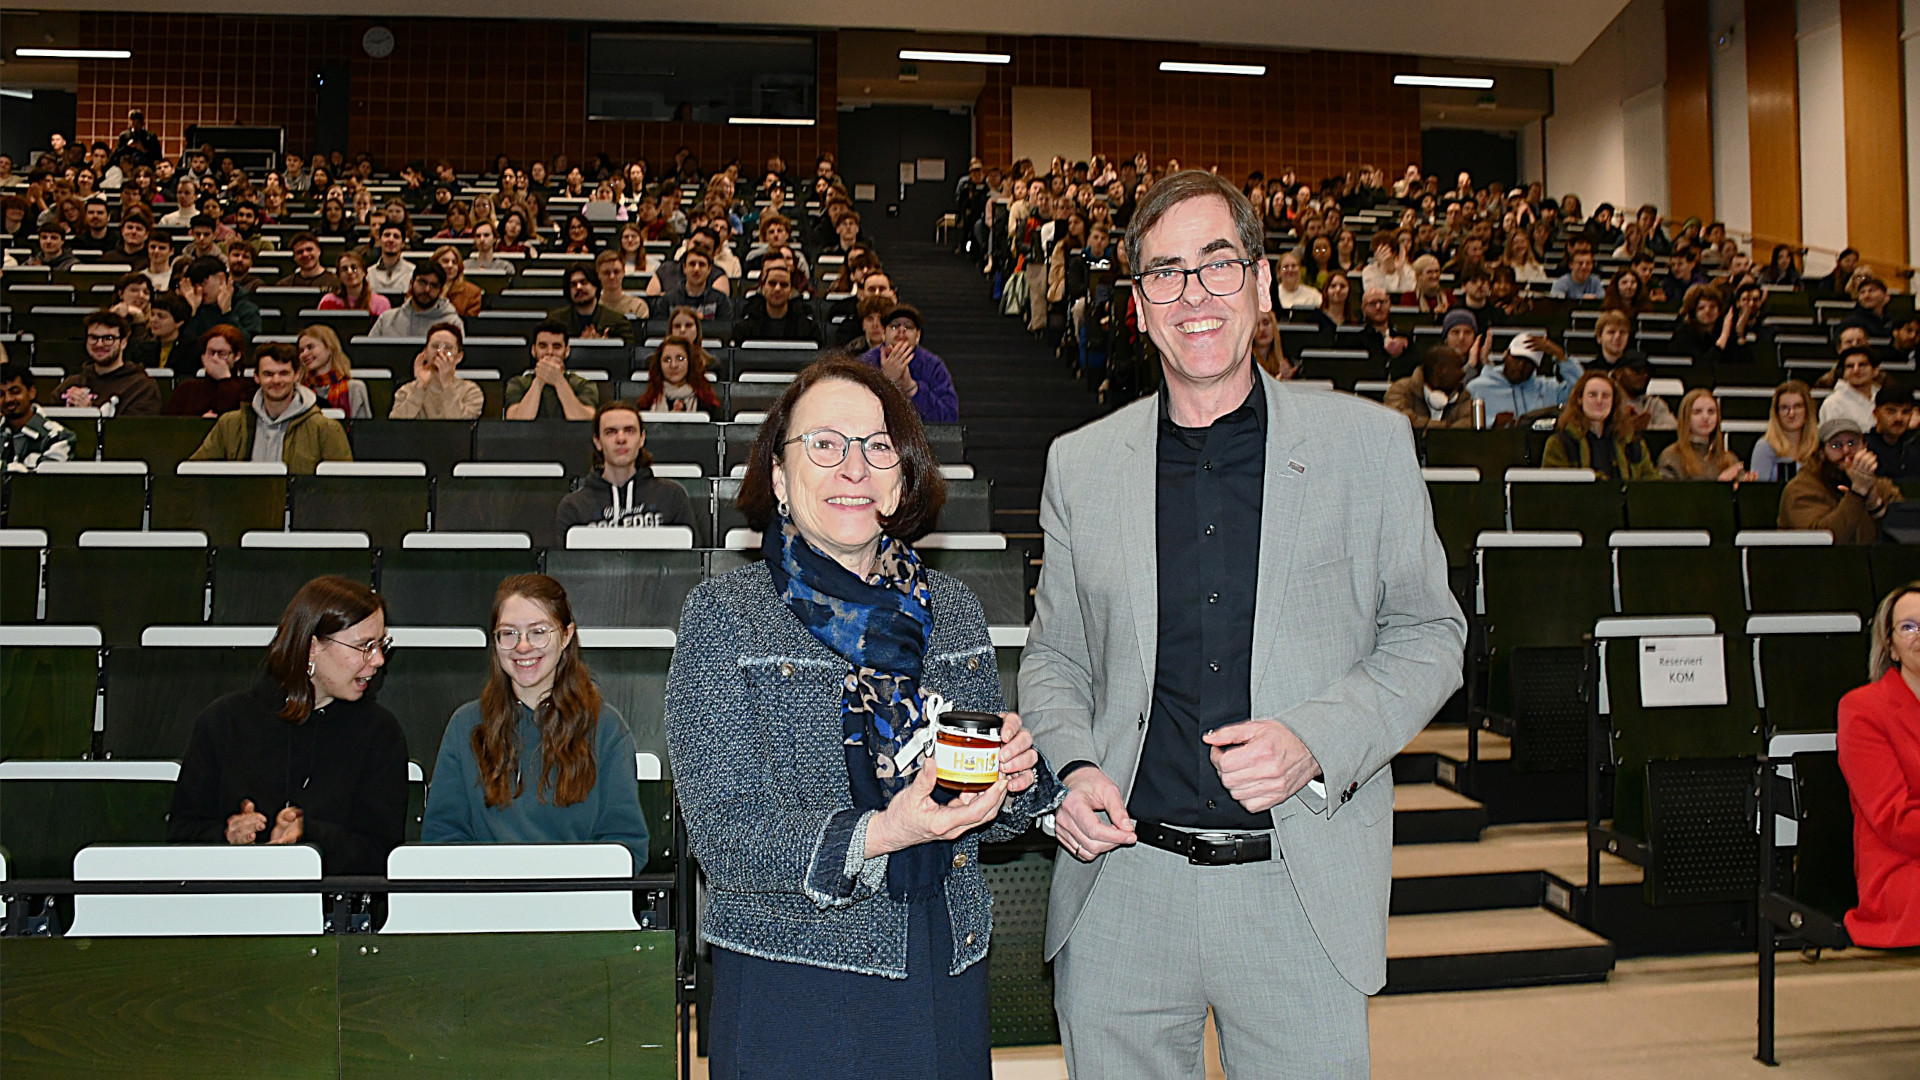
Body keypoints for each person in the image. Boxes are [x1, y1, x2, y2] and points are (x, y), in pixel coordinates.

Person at [1018, 170, 1464, 1080]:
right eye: (1166, 273)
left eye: (1219, 265)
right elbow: (1056, 657)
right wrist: (1073, 766)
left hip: (1299, 883)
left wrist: (1314, 739)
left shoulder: (1368, 447)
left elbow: (1430, 632)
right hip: (1125, 887)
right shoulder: (1081, 465)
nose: (1195, 295)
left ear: (1262, 287)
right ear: (1139, 305)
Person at [665, 356, 1059, 1080]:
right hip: (794, 977)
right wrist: (883, 833)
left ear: (902, 477)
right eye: (825, 444)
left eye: (877, 447)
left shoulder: (954, 609)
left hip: (944, 958)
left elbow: (972, 811)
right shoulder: (724, 618)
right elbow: (726, 838)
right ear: (780, 480)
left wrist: (1018, 783)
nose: (855, 468)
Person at [166, 575, 407, 876]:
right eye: (364, 646)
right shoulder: (224, 722)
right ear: (311, 648)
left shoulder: (380, 733)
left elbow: (382, 854)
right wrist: (227, 836)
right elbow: (180, 835)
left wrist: (309, 835)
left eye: (381, 644)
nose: (379, 660)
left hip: (333, 915)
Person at [421, 575, 650, 869]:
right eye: (509, 633)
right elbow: (441, 839)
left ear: (566, 636)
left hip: (578, 905)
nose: (523, 647)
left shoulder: (606, 729)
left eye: (538, 632)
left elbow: (626, 846)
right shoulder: (465, 726)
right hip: (486, 905)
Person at [1836, 585, 1920, 948]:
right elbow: (1893, 818)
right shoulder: (1863, 709)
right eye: (1909, 627)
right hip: (1901, 869)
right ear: (1889, 643)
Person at [554, 401, 700, 534]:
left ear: (642, 438)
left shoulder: (672, 496)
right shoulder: (573, 506)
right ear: (597, 441)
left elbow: (691, 560)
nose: (621, 439)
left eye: (629, 430)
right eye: (611, 432)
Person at [1779, 417, 1900, 541]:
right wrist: (1857, 493)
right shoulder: (1801, 490)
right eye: (1836, 445)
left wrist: (1875, 505)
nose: (1846, 451)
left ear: (1865, 447)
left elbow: (1904, 535)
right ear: (1821, 453)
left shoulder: (1881, 486)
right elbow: (1822, 541)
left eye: (1852, 443)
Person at [1541, 371, 1660, 479]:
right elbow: (1554, 491)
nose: (1599, 401)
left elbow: (1651, 487)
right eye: (1592, 395)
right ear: (1580, 399)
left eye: (1606, 396)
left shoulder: (1632, 443)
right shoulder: (1560, 443)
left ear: (1614, 401)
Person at [858, 305, 958, 424]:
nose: (901, 331)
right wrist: (886, 382)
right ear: (884, 333)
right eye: (894, 326)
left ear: (918, 335)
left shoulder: (933, 365)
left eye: (908, 327)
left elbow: (950, 417)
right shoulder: (864, 363)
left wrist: (911, 388)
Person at [55, 311, 162, 415]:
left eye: (108, 338)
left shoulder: (142, 387)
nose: (100, 344)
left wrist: (90, 413)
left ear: (123, 343)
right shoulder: (71, 384)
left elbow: (135, 430)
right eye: (94, 338)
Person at [177, 256, 263, 368]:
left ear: (221, 279)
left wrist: (227, 313)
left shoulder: (246, 307)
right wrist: (193, 312)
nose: (199, 290)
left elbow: (246, 347)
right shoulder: (190, 305)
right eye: (195, 285)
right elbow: (184, 352)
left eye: (203, 283)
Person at [505, 320, 600, 421]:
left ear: (567, 351)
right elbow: (516, 422)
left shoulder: (584, 384)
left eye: (556, 347)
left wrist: (559, 381)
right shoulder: (517, 383)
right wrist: (539, 380)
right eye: (543, 346)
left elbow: (584, 422)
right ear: (533, 350)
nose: (549, 352)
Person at [1465, 338, 1570, 428]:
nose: (1521, 367)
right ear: (1506, 355)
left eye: (1528, 363)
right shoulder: (1477, 388)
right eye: (1517, 359)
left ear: (1535, 367)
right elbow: (1459, 427)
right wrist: (1492, 427)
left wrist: (1562, 358)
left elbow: (1581, 393)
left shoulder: (1548, 388)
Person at [389, 322, 484, 420]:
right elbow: (396, 427)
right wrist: (419, 387)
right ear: (425, 352)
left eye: (447, 348)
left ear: (459, 357)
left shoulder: (471, 391)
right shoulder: (406, 390)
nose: (440, 352)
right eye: (435, 346)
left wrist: (447, 385)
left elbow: (463, 427)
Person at [1659, 389, 1753, 481]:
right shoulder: (1671, 457)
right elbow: (1669, 495)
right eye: (1697, 412)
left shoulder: (1729, 459)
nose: (1705, 417)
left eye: (1711, 412)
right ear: (1686, 417)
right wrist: (1720, 486)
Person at [0, 359, 77, 471]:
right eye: (1, 394)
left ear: (31, 392)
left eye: (15, 392)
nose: (8, 399)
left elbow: (44, 484)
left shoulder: (59, 437)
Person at [165, 325, 254, 417]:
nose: (215, 359)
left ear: (236, 356)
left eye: (222, 354)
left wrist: (224, 378)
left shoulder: (247, 389)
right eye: (211, 353)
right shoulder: (186, 389)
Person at [1384, 345, 1474, 429]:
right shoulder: (1400, 390)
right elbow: (1399, 422)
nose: (1462, 374)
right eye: (1458, 368)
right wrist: (1444, 427)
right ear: (1441, 370)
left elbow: (1464, 430)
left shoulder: (1464, 396)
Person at [546, 265, 636, 345]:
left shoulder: (618, 321)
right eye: (573, 284)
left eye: (583, 282)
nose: (579, 287)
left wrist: (604, 347)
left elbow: (629, 353)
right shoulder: (555, 320)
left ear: (595, 286)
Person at [370, 262, 464, 338]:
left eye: (433, 285)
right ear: (411, 283)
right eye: (422, 282)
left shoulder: (453, 323)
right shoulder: (386, 319)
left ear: (441, 291)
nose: (427, 290)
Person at [296, 324, 371, 420]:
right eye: (301, 351)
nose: (304, 354)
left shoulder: (355, 389)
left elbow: (363, 431)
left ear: (329, 347)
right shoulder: (298, 391)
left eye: (310, 347)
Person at [732, 263, 819, 344]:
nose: (777, 288)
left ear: (791, 291)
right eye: (772, 283)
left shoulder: (809, 329)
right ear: (763, 289)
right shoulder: (744, 328)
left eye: (784, 285)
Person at [633, 337, 720, 414]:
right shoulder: (646, 403)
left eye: (680, 358)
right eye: (667, 360)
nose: (673, 365)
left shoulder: (707, 402)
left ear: (690, 362)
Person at [1751, 380, 1817, 482]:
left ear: (1807, 410)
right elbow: (1759, 493)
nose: (1791, 414)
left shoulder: (1817, 447)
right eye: (1784, 408)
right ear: (1776, 413)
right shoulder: (1764, 447)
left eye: (1797, 406)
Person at [655, 247, 732, 321]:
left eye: (702, 264)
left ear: (709, 269)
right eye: (692, 264)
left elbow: (725, 332)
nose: (696, 269)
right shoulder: (667, 300)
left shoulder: (721, 300)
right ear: (684, 268)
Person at [1820, 346, 1882, 431]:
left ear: (1875, 370)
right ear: (1844, 373)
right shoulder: (1833, 404)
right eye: (1850, 366)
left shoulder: (1885, 397)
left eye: (1862, 365)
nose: (1856, 370)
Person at [1611, 356, 1677, 435]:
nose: (1643, 376)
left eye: (1646, 372)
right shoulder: (1608, 402)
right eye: (1636, 371)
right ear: (1619, 373)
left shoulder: (1654, 404)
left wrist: (1646, 428)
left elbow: (1673, 428)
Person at [1867, 385, 1920, 480]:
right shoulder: (1864, 448)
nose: (1899, 418)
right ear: (1875, 413)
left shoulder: (1914, 448)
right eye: (1891, 411)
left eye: (1905, 412)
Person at [319, 252, 392, 315]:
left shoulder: (381, 303)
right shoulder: (327, 301)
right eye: (344, 269)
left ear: (364, 272)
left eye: (354, 268)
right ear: (339, 276)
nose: (349, 272)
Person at [594, 250, 649, 320]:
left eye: (616, 272)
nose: (612, 276)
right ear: (598, 274)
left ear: (623, 272)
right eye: (606, 273)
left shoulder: (638, 306)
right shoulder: (591, 307)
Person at [433, 245, 484, 319]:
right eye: (445, 261)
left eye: (454, 262)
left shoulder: (472, 292)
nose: (450, 266)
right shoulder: (422, 287)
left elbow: (468, 324)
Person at [365, 222, 415, 293]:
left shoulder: (412, 272)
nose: (391, 239)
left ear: (403, 244)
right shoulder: (368, 274)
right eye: (387, 235)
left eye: (396, 236)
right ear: (379, 240)